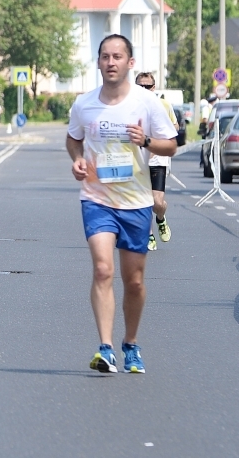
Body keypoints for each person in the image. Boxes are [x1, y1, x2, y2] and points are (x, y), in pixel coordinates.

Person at [67, 34, 177, 375]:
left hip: (136, 201)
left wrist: (145, 140)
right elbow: (74, 140)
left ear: (130, 63)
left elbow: (171, 146)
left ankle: (130, 344)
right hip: (97, 198)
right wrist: (77, 161)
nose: (110, 62)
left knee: (135, 281)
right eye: (105, 56)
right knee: (102, 269)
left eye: (117, 56)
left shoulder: (146, 103)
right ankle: (105, 348)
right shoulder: (84, 104)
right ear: (98, 62)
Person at [135, 72, 177, 251]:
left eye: (148, 86)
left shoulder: (164, 105)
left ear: (154, 88)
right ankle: (149, 235)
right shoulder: (129, 106)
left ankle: (161, 218)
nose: (144, 90)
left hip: (158, 158)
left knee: (157, 202)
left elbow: (174, 127)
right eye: (140, 86)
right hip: (137, 160)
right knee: (143, 201)